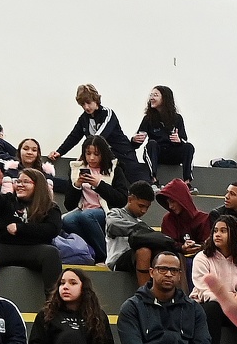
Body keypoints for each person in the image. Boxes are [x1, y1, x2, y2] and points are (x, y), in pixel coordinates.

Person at [0, 167, 63, 294]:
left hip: (35, 249)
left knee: (52, 254)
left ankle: (53, 303)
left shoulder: (50, 207)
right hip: (6, 247)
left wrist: (20, 228)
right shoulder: (9, 200)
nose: (20, 185)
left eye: (25, 182)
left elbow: (52, 229)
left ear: (38, 185)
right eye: (18, 181)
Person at [48, 83, 149, 184]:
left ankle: (153, 186)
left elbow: (99, 137)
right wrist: (60, 152)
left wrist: (84, 154)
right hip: (105, 158)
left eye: (88, 102)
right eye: (83, 104)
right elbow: (74, 136)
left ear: (95, 100)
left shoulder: (108, 113)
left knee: (138, 181)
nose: (86, 107)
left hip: (123, 154)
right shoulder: (84, 118)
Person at [61, 135, 128, 263]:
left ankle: (105, 255)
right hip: (83, 209)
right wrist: (77, 185)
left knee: (87, 216)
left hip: (107, 210)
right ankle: (89, 252)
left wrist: (99, 185)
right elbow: (69, 205)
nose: (91, 158)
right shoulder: (76, 169)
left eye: (96, 154)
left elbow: (121, 199)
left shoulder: (115, 169)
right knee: (67, 220)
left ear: (103, 154)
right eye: (88, 154)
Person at [133, 85, 196, 191]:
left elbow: (184, 139)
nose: (151, 98)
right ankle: (153, 181)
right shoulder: (148, 118)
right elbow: (138, 142)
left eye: (155, 95)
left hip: (173, 154)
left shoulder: (177, 118)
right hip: (157, 154)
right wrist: (134, 139)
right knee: (151, 144)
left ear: (165, 98)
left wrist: (179, 140)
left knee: (189, 146)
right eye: (151, 95)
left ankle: (187, 183)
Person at [107, 181, 166, 284]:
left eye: (147, 207)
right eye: (141, 206)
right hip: (118, 260)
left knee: (164, 255)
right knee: (143, 251)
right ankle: (144, 295)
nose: (143, 211)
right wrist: (139, 229)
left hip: (137, 261)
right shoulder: (115, 213)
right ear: (130, 199)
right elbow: (112, 225)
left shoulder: (142, 223)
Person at [157, 178, 209, 264]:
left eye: (173, 202)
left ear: (182, 199)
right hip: (175, 261)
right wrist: (181, 248)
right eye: (168, 203)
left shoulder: (203, 218)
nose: (170, 206)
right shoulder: (168, 219)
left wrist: (198, 247)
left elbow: (208, 245)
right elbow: (166, 243)